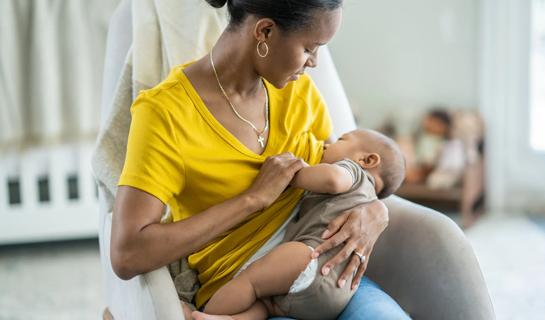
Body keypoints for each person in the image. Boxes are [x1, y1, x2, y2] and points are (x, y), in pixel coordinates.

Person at [111, 0, 409, 319]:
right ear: (265, 31)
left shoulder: (300, 93)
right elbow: (127, 254)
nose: (314, 63)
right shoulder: (165, 114)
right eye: (309, 48)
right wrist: (253, 199)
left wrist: (376, 210)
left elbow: (349, 175)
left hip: (330, 277)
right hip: (242, 295)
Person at [193, 129, 406, 320]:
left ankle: (206, 314)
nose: (326, 145)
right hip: (335, 297)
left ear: (367, 160)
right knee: (266, 305)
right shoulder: (367, 202)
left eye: (340, 140)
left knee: (251, 282)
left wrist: (293, 175)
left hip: (310, 259)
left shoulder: (354, 172)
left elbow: (332, 180)